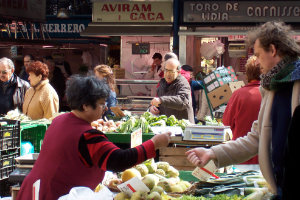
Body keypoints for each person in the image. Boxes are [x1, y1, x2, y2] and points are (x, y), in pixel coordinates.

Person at [185, 21, 300, 199]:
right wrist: (213, 153)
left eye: (259, 54)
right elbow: (255, 139)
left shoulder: (295, 86)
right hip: (281, 187)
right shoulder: (270, 89)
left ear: (273, 50)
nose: (256, 60)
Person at [17, 75, 171, 200]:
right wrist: (154, 143)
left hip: (35, 190)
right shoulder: (87, 136)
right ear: (85, 105)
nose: (104, 108)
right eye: (101, 104)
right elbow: (118, 160)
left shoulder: (58, 120)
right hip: (55, 195)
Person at [222, 56, 261, 164]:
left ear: (247, 74)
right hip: (267, 159)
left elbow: (226, 123)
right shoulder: (272, 95)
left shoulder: (238, 95)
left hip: (241, 157)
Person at [149, 58, 194, 123]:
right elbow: (157, 99)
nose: (168, 74)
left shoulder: (183, 83)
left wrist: (161, 100)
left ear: (178, 72)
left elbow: (183, 101)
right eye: (166, 70)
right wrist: (152, 107)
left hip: (182, 127)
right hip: (168, 126)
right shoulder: (162, 82)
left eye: (171, 71)